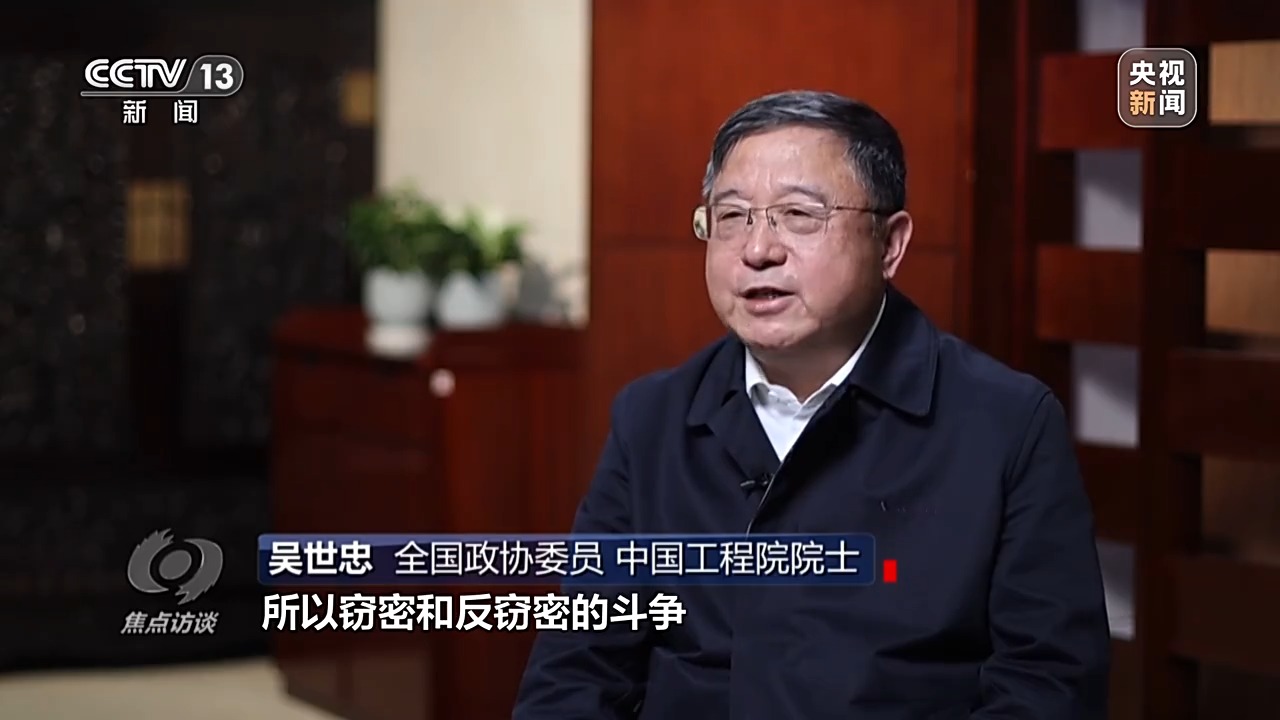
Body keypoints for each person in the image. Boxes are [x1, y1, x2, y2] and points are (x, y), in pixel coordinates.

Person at [513, 90, 1111, 719]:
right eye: (732, 216)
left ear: (890, 244)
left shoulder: (1007, 425)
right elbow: (574, 672)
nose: (758, 250)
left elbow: (1048, 688)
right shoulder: (651, 420)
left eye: (798, 215)